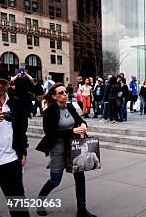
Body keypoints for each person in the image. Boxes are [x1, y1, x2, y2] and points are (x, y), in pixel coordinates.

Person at [35, 82, 96, 217]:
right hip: (58, 150)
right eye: (61, 93)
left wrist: (83, 124)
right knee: (55, 180)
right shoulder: (49, 112)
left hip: (74, 148)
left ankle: (82, 209)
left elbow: (79, 119)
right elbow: (50, 133)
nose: (65, 95)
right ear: (54, 96)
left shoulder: (70, 107)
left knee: (80, 178)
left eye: (66, 92)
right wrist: (72, 130)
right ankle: (40, 201)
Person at [0, 73, 30, 217]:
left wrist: (23, 150)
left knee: (19, 207)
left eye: (3, 82)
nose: (0, 85)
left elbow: (21, 129)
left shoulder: (15, 102)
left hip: (11, 160)